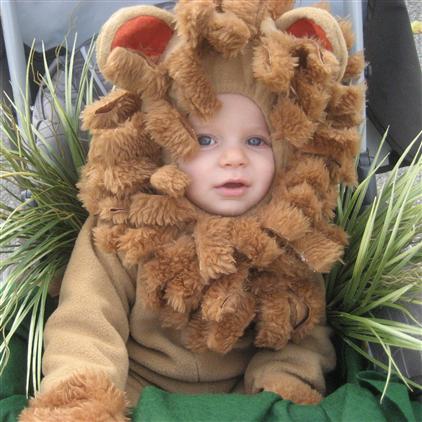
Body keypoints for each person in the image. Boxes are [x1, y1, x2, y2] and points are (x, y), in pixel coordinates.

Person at [20, 1, 364, 420]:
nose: (233, 158)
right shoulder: (126, 225)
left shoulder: (288, 232)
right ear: (165, 141)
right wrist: (83, 394)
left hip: (242, 399)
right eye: (206, 141)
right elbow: (87, 322)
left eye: (256, 141)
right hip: (135, 386)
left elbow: (299, 334)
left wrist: (278, 392)